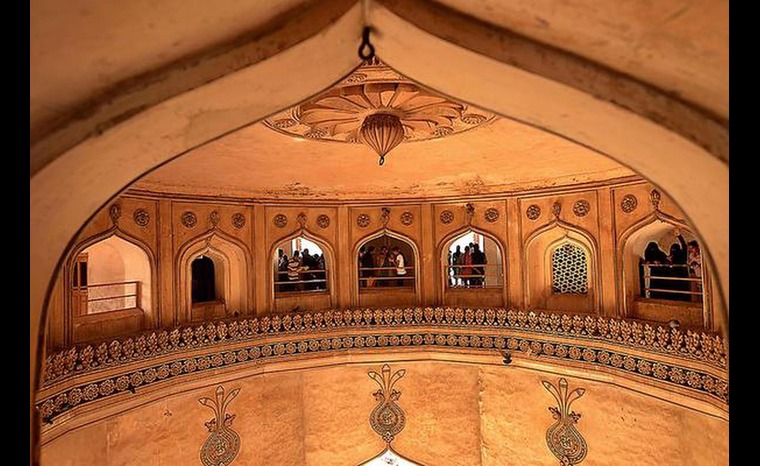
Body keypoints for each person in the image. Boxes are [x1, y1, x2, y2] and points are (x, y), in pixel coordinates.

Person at [667, 229, 689, 301]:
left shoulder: (682, 254)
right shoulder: (673, 256)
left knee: (682, 290)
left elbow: (684, 246)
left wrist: (679, 236)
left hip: (681, 274)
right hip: (676, 274)